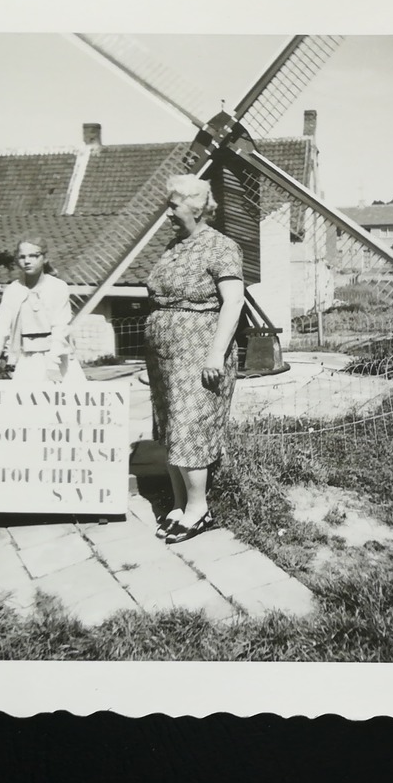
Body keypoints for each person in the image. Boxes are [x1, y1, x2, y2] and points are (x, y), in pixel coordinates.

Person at [145, 174, 244, 544]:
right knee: (171, 427)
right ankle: (178, 503)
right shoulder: (173, 247)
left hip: (200, 351)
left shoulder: (221, 247)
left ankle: (198, 510)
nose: (168, 213)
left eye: (173, 206)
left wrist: (216, 353)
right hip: (166, 356)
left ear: (196, 207)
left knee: (190, 428)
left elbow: (233, 301)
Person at [0, 237, 85, 385]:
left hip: (56, 358)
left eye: (33, 256)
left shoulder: (58, 287)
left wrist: (53, 364)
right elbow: (1, 329)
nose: (27, 261)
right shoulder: (13, 290)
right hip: (27, 359)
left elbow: (61, 327)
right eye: (22, 257)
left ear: (45, 258)